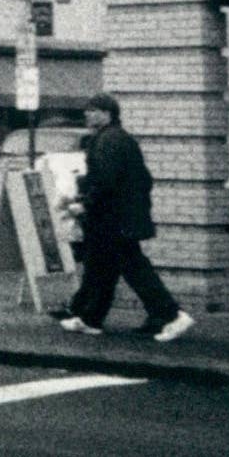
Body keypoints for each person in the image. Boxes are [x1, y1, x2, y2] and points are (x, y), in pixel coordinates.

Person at [61, 93, 192, 342]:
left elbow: (106, 181)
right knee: (101, 266)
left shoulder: (108, 140)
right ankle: (89, 318)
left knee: (134, 269)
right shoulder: (115, 138)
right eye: (87, 110)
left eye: (93, 110)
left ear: (107, 114)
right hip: (118, 217)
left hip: (113, 218)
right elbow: (139, 179)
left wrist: (84, 204)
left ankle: (171, 315)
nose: (87, 114)